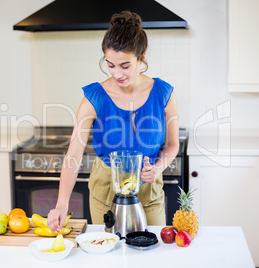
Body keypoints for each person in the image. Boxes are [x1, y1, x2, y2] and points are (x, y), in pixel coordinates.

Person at [47, 10, 179, 231]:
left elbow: (172, 145)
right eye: (110, 64)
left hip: (149, 192)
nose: (117, 73)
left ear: (142, 57)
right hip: (106, 191)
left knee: (154, 255)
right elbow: (74, 152)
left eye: (125, 66)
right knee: (108, 254)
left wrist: (158, 168)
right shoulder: (95, 97)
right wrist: (62, 204)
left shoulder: (164, 93)